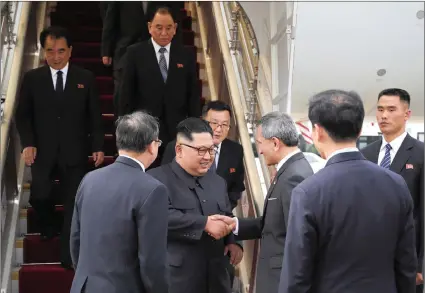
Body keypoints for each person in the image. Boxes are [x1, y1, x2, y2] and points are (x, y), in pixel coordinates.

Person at [279, 90, 417, 293]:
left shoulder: (308, 192)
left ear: (317, 131)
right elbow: (406, 265)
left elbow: (297, 274)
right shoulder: (396, 184)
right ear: (359, 129)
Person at [15, 26, 104, 269]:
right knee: (39, 195)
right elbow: (22, 116)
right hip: (42, 151)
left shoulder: (84, 78)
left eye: (61, 51)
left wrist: (98, 145)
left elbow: (94, 116)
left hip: (74, 151)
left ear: (71, 51)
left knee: (73, 203)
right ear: (44, 52)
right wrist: (28, 143)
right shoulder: (32, 79)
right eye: (50, 51)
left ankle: (69, 255)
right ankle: (49, 223)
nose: (56, 56)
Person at [213, 112, 313, 293]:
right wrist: (234, 225)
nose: (259, 151)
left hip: (282, 281)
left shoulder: (294, 176)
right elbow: (274, 223)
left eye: (259, 143)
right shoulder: (290, 170)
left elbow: (300, 237)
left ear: (275, 143)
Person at [70, 111, 168, 293]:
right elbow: (152, 261)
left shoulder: (89, 179)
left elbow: (75, 240)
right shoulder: (153, 189)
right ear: (151, 146)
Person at [148, 117, 243, 293]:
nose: (207, 157)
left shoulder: (218, 182)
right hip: (179, 279)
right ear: (179, 150)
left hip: (217, 278)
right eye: (200, 150)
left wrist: (233, 242)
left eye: (211, 150)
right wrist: (204, 224)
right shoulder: (156, 180)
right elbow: (160, 217)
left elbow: (226, 214)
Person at [119, 6, 200, 164]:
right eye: (159, 27)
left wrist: (194, 131)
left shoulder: (186, 55)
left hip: (177, 135)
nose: (164, 33)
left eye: (169, 28)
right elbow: (126, 96)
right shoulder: (134, 54)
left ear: (175, 28)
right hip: (144, 134)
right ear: (150, 27)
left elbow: (193, 97)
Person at [361, 88, 424, 291]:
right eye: (380, 109)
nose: (384, 115)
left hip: (406, 260)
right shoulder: (365, 154)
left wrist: (421, 264)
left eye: (391, 109)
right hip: (366, 259)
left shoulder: (420, 154)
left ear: (407, 114)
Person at [101, 2, 184, 117]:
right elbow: (111, 19)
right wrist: (106, 50)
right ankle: (121, 130)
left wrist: (177, 51)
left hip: (154, 49)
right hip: (125, 51)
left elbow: (174, 21)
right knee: (122, 95)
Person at [161, 101, 245, 210]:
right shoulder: (179, 146)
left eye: (224, 124)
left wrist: (224, 209)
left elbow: (236, 187)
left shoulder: (235, 150)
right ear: (203, 121)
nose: (219, 130)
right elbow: (166, 180)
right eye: (214, 123)